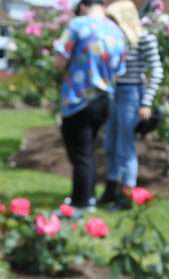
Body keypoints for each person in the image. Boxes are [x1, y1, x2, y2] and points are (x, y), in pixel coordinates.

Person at [53, 0, 127, 214]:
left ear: (84, 6)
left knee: (80, 154)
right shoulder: (116, 31)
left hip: (79, 99)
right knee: (89, 151)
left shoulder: (78, 25)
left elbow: (59, 61)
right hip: (104, 100)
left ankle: (80, 203)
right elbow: (120, 69)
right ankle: (88, 196)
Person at [101, 0, 163, 210]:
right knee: (109, 143)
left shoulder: (144, 38)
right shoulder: (117, 40)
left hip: (131, 94)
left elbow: (157, 71)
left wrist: (146, 102)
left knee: (125, 147)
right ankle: (111, 188)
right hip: (114, 93)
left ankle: (126, 194)